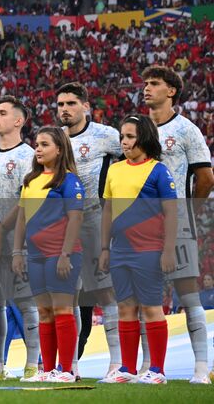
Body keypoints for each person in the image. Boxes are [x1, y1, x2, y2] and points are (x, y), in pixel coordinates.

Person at [143, 64, 212, 385]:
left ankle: (201, 368)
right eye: (145, 83)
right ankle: (148, 367)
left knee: (188, 295)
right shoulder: (138, 129)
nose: (146, 88)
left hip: (178, 224)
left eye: (154, 83)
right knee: (146, 299)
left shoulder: (186, 130)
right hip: (141, 226)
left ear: (171, 91)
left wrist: (190, 211)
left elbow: (206, 177)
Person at [98, 114, 178, 385]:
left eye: (130, 136)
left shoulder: (159, 170)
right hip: (119, 250)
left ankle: (158, 371)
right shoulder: (115, 169)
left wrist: (168, 250)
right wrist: (104, 248)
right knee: (125, 309)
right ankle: (127, 370)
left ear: (143, 138)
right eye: (122, 136)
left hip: (149, 250)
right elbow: (108, 210)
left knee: (152, 308)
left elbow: (172, 213)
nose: (124, 142)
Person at [54, 82, 123, 378]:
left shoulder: (106, 136)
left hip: (95, 218)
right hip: (64, 224)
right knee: (70, 295)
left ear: (85, 106)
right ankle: (71, 366)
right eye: (60, 104)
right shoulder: (54, 139)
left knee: (106, 292)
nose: (65, 109)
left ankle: (117, 363)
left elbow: (130, 164)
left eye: (71, 103)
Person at [14, 126, 84, 383]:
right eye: (37, 144)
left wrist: (65, 254)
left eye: (44, 144)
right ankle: (48, 369)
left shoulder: (68, 180)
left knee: (63, 309)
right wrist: (16, 252)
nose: (38, 149)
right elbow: (21, 219)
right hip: (34, 256)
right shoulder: (30, 180)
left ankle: (66, 370)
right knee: (44, 312)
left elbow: (76, 218)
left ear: (60, 149)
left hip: (61, 254)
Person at [0, 95, 39, 378]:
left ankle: (33, 364)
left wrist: (2, 225)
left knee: (27, 302)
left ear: (19, 121)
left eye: (2, 113)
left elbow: (27, 200)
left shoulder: (29, 156)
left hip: (20, 240)